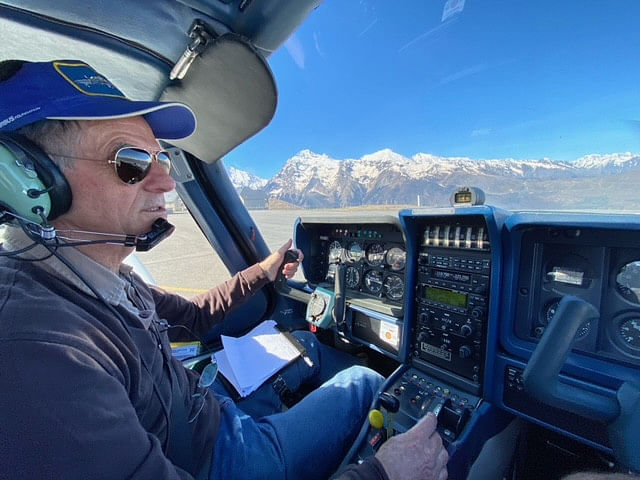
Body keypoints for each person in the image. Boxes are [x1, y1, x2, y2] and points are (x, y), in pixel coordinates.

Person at [0, 59, 448, 480]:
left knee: (305, 352)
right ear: (27, 181)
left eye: (161, 159)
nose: (167, 182)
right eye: (131, 163)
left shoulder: (98, 273)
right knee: (363, 380)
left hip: (205, 409)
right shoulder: (35, 348)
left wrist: (265, 269)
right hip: (220, 455)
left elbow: (193, 316)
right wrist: (381, 473)